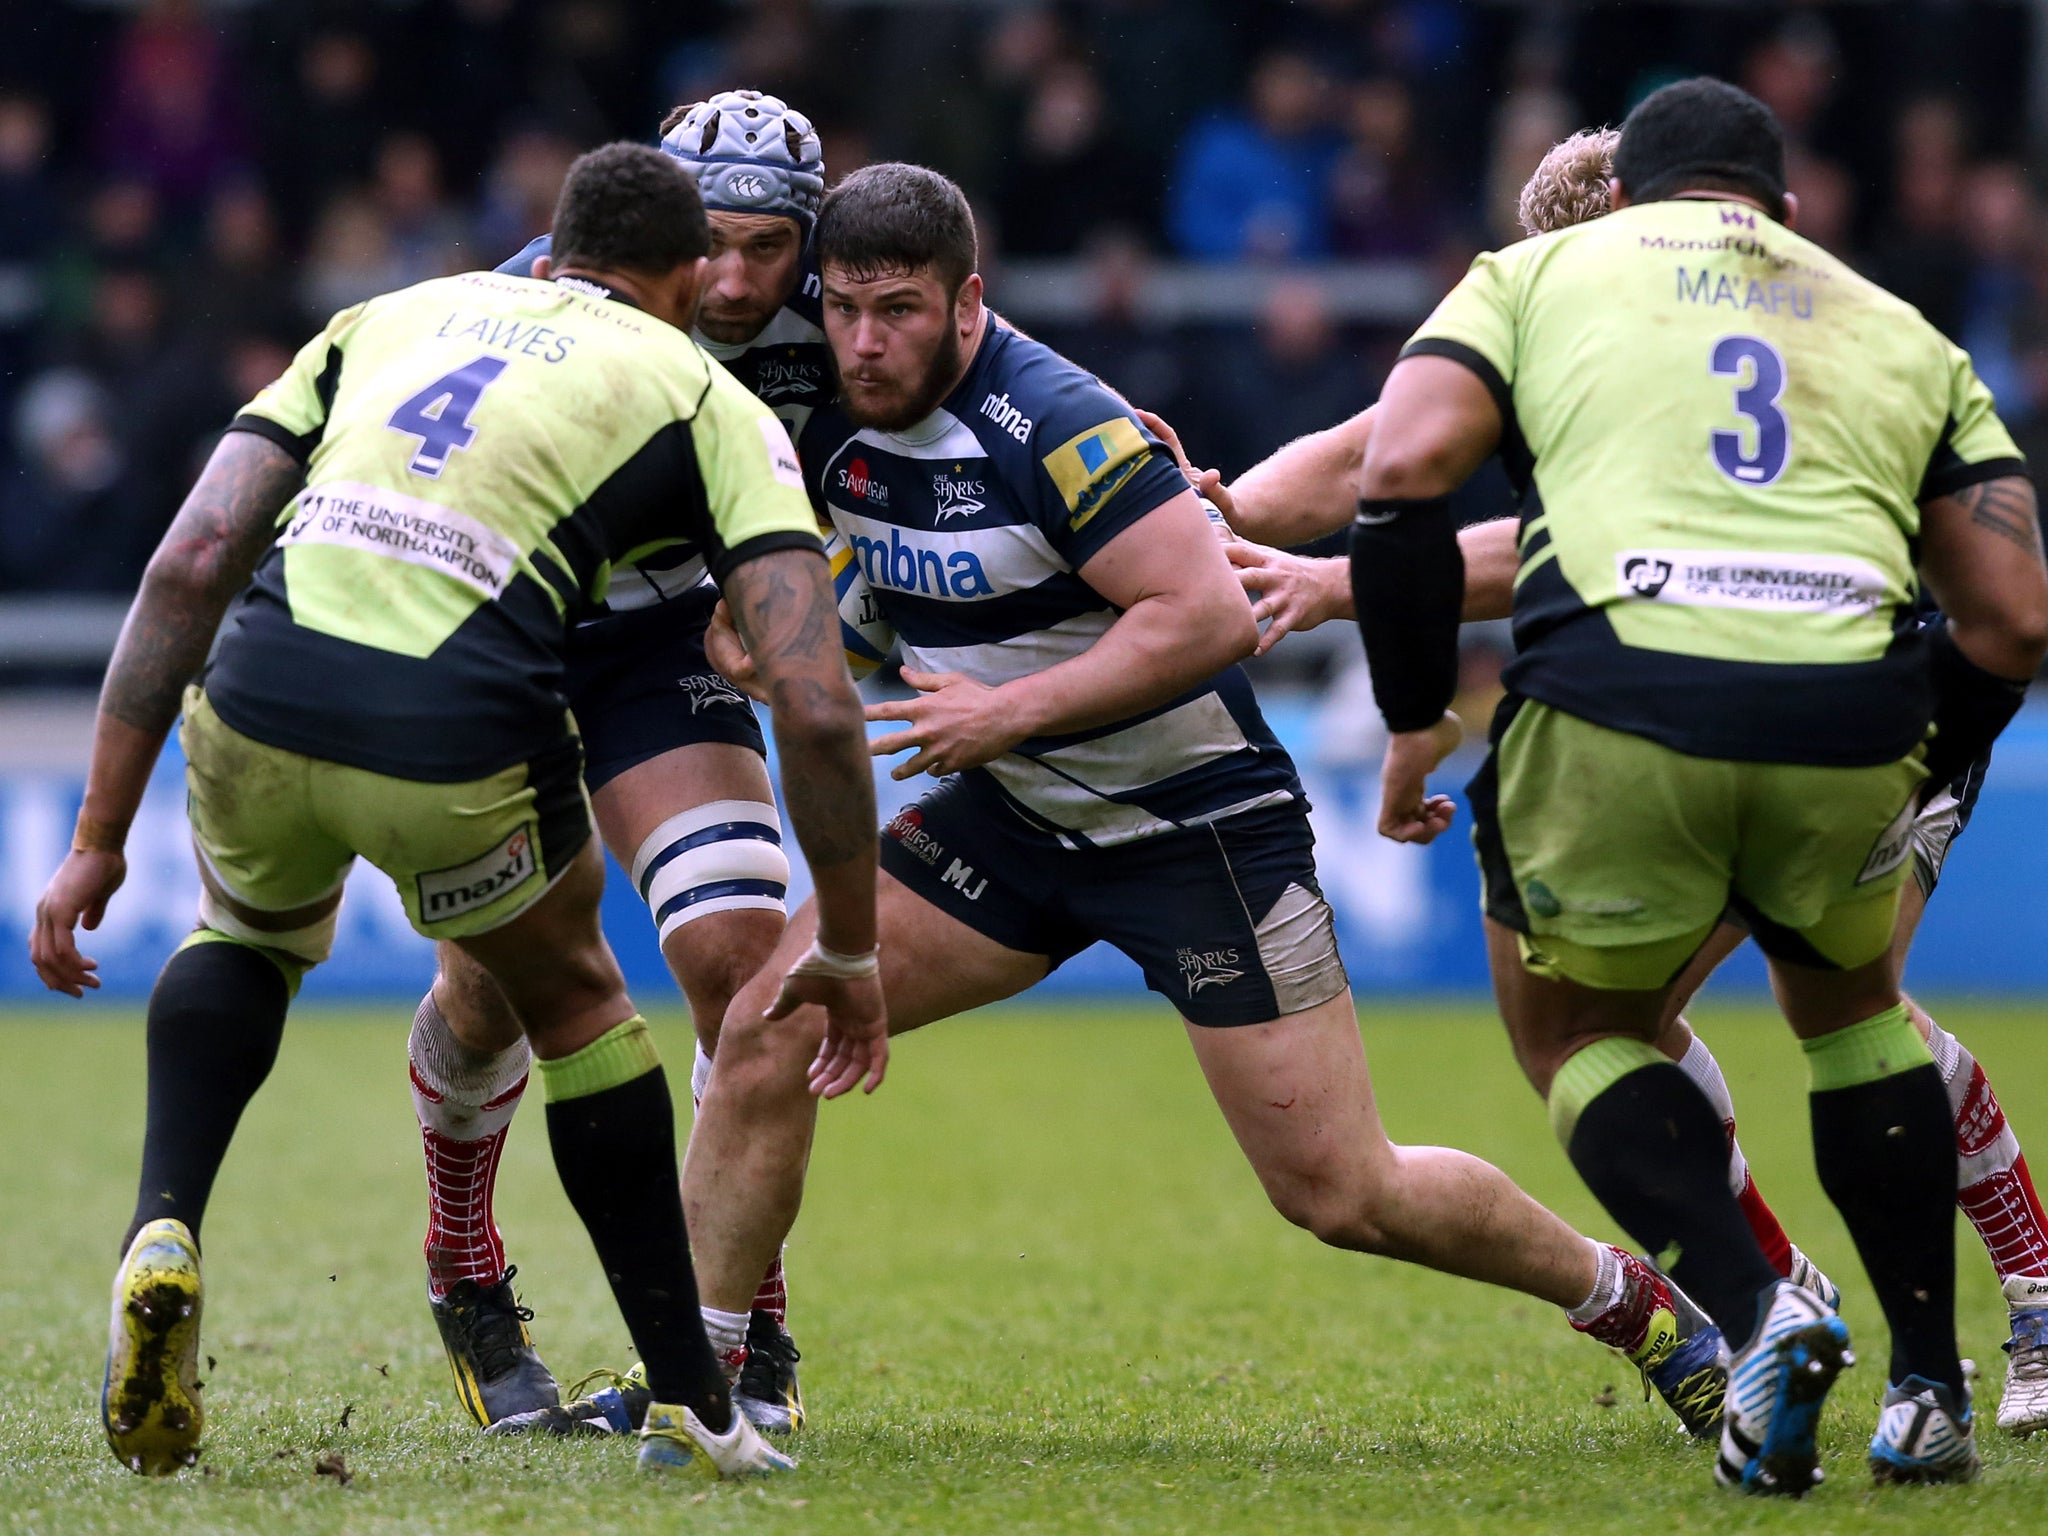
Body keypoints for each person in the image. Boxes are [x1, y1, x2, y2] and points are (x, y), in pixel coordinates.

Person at [684, 161, 1731, 1443]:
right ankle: (710, 1376)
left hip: (1196, 833)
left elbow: (1211, 618)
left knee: (1344, 1193)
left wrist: (1001, 715)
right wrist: (780, 641)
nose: (861, 341)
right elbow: (903, 597)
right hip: (1009, 822)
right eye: (841, 309)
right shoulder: (822, 412)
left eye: (894, 311)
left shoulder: (1054, 425)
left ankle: (1639, 1307)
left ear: (967, 304)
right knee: (765, 1028)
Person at [28, 142, 879, 1483]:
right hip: (465, 710)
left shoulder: (390, 316)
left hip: (264, 677)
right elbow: (822, 709)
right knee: (584, 1009)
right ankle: (690, 1391)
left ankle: (165, 1223)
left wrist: (95, 838)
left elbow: (193, 557)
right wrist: (852, 941)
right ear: (674, 277)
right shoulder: (697, 385)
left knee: (244, 937)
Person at [1213, 124, 2048, 1441]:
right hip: (1865, 700)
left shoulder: (1564, 295)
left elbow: (1460, 504)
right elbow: (1367, 457)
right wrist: (1210, 513)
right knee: (1786, 1008)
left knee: (1719, 1008)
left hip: (1737, 683)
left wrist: (1342, 608)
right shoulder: (1851, 312)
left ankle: (2022, 1282)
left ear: (1612, 220)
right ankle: (1850, 1329)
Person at [417, 89, 831, 1436]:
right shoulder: (533, 300)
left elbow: (989, 371)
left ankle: (740, 1323)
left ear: (808, 244)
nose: (732, 278)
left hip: (665, 647)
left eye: (769, 248)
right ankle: (464, 1268)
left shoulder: (845, 321)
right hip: (516, 641)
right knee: (497, 989)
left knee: (746, 964)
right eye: (711, 241)